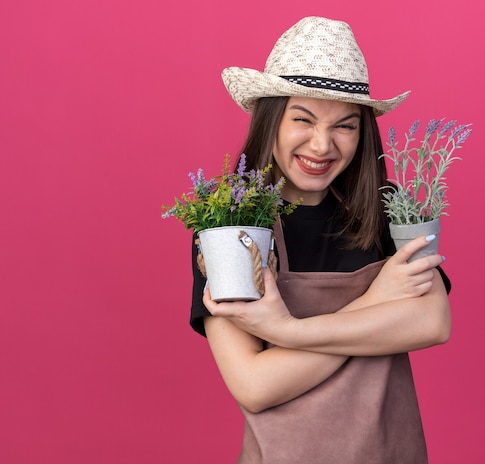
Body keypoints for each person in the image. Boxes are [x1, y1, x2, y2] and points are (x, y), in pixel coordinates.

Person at [189, 16, 451, 464]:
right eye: (303, 120)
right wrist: (378, 301)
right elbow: (254, 385)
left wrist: (288, 333)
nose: (321, 145)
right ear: (270, 119)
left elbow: (432, 323)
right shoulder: (231, 223)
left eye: (345, 126)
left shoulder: (388, 206)